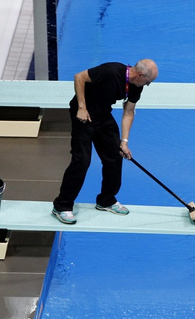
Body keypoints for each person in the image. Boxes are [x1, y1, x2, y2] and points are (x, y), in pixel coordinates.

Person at [52, 59, 159, 224]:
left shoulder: (136, 86)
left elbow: (129, 112)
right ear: (140, 74)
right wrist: (82, 107)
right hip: (84, 115)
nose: (148, 85)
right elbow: (79, 77)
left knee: (116, 156)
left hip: (102, 116)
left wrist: (124, 141)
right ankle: (62, 206)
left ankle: (106, 200)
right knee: (82, 160)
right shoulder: (111, 71)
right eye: (148, 81)